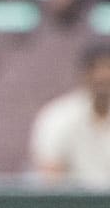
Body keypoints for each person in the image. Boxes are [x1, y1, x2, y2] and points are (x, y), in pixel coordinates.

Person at [29, 42, 110, 191]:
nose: (103, 76)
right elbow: (50, 177)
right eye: (96, 69)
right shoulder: (58, 117)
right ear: (84, 74)